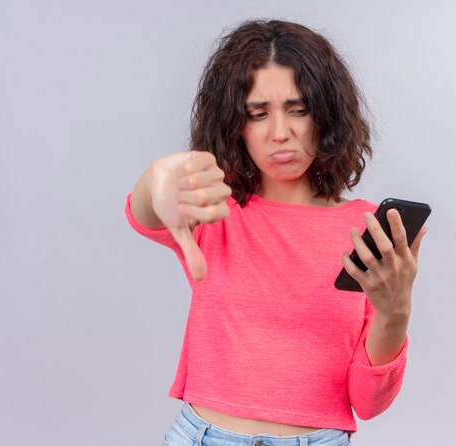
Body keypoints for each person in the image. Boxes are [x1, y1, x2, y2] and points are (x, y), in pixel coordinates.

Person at [126, 19, 427, 446]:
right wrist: (155, 180)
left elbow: (367, 402)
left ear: (325, 114)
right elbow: (143, 212)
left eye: (298, 109)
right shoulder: (216, 210)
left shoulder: (366, 229)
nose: (280, 133)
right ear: (235, 124)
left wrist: (395, 314)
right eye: (258, 113)